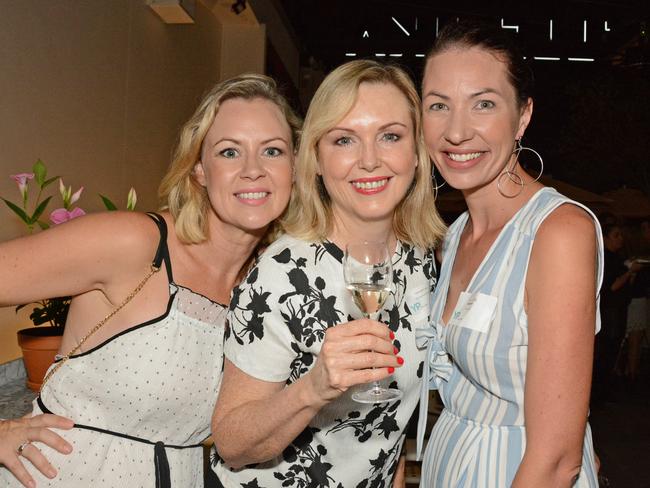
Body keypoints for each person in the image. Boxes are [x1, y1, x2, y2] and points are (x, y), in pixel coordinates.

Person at [0, 73, 300, 488]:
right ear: (199, 169)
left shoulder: (266, 286)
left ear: (295, 168)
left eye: (272, 150)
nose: (253, 170)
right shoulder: (135, 243)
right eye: (230, 152)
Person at [209, 60, 446, 487]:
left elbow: (389, 426)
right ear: (316, 159)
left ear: (416, 153)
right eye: (344, 140)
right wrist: (312, 388)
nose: (370, 160)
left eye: (390, 136)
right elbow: (231, 442)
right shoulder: (281, 273)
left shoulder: (422, 262)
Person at [416, 19, 604, 487]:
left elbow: (559, 460)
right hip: (451, 462)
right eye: (439, 105)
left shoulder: (558, 233)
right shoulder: (455, 233)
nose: (456, 131)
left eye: (483, 104)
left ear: (522, 116)